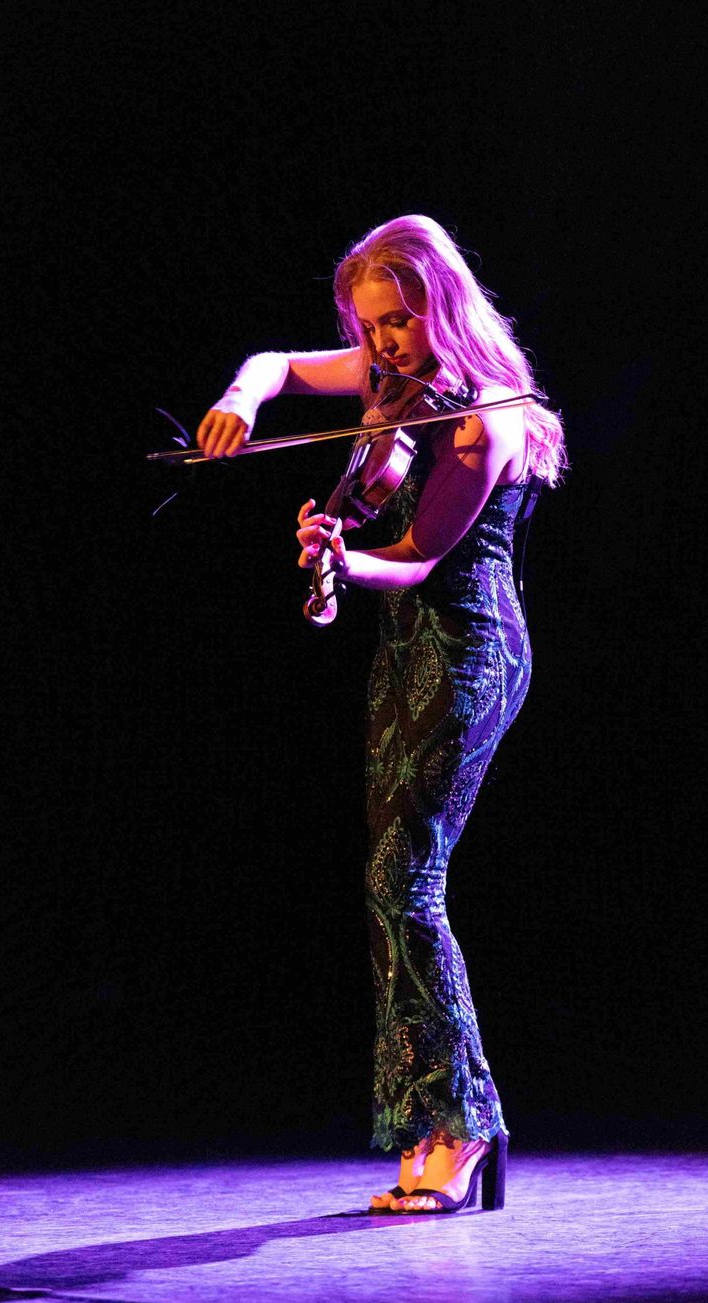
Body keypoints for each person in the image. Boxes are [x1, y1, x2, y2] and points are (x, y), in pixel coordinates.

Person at [197, 215, 565, 1213]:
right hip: (404, 649)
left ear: (442, 305)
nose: (382, 346)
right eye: (367, 328)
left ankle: (462, 1122)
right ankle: (437, 1118)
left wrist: (343, 559)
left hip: (471, 650)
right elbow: (276, 366)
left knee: (405, 881)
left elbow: (415, 558)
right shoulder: (387, 381)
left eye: (398, 322)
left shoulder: (483, 418)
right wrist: (240, 400)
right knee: (387, 887)